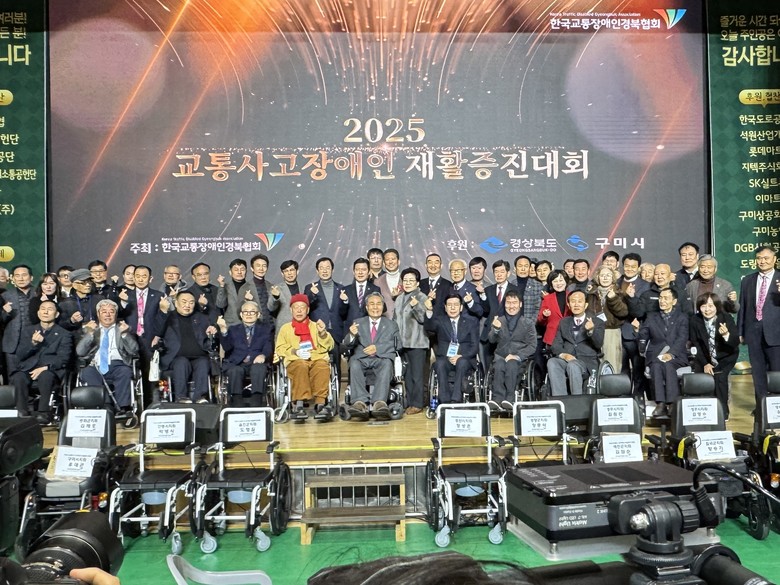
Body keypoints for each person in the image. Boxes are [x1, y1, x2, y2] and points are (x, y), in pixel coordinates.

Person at [76, 298, 139, 423]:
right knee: (87, 372)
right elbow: (80, 352)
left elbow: (134, 351)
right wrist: (90, 334)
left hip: (118, 364)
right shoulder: (89, 329)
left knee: (125, 372)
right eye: (104, 311)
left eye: (111, 312)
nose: (108, 314)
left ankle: (123, 408)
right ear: (98, 314)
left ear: (116, 314)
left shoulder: (123, 328)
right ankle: (105, 405)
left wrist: (125, 334)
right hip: (96, 364)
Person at [10, 299, 72, 422]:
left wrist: (46, 367)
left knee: (46, 376)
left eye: (50, 309)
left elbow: (64, 358)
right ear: (38, 313)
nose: (45, 312)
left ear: (56, 314)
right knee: (18, 377)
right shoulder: (27, 331)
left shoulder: (64, 334)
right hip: (28, 368)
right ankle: (21, 411)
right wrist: (33, 344)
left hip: (51, 369)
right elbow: (20, 355)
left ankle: (44, 412)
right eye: (43, 309)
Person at [343, 292, 400, 420]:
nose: (375, 307)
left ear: (383, 306)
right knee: (354, 363)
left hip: (381, 358)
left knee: (387, 363)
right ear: (367, 307)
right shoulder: (358, 322)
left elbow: (398, 344)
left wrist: (378, 348)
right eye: (372, 304)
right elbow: (347, 344)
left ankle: (379, 403)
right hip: (361, 359)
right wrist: (351, 335)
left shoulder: (391, 324)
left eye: (378, 304)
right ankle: (359, 402)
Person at [275, 294, 334, 419]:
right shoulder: (285, 328)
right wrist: (295, 352)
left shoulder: (316, 326)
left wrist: (323, 334)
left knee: (322, 366)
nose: (299, 310)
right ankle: (299, 405)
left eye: (302, 307)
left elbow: (329, 346)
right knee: (301, 365)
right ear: (291, 310)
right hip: (295, 361)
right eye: (296, 307)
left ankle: (320, 404)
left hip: (315, 357)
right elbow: (280, 348)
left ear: (307, 310)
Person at [155, 290, 217, 403]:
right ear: (176, 303)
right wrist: (163, 311)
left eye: (191, 302)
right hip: (175, 358)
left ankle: (200, 397)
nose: (187, 305)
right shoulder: (168, 317)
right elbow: (157, 331)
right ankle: (181, 397)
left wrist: (212, 331)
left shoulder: (201, 318)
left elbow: (211, 334)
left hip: (199, 356)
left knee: (203, 363)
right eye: (184, 302)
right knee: (182, 362)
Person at [737, 245, 780, 405]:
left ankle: (776, 407)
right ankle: (761, 406)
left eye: (766, 258)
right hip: (753, 333)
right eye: (759, 258)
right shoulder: (747, 280)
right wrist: (740, 331)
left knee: (777, 373)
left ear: (774, 260)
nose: (762, 261)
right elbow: (743, 307)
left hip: (776, 334)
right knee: (758, 373)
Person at [638, 288, 689, 417]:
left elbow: (682, 338)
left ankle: (671, 403)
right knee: (656, 365)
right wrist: (641, 339)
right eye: (660, 298)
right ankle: (660, 403)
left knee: (668, 365)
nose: (662, 301)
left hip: (676, 355)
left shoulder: (682, 317)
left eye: (666, 298)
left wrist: (671, 354)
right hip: (656, 354)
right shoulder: (651, 317)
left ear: (674, 301)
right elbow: (644, 333)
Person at [689, 293, 739, 420]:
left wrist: (726, 334)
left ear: (717, 306)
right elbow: (696, 344)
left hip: (725, 357)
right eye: (703, 306)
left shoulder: (726, 318)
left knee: (720, 377)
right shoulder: (695, 320)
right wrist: (705, 363)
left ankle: (723, 411)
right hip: (705, 357)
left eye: (711, 306)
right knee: (703, 379)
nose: (707, 309)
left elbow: (735, 342)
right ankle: (707, 411)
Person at [118, 265, 164, 404]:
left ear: (151, 278)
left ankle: (152, 402)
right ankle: (132, 403)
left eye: (144, 276)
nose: (140, 279)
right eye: (137, 276)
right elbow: (117, 316)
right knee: (130, 370)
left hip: (150, 338)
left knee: (150, 371)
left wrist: (158, 335)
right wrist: (122, 302)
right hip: (129, 337)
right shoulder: (125, 294)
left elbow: (162, 318)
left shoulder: (158, 295)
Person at [424, 293, 479, 404]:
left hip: (465, 358)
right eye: (449, 305)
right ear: (445, 307)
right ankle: (444, 400)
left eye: (456, 305)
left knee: (461, 362)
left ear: (461, 307)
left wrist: (461, 356)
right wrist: (429, 310)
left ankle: (456, 399)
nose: (452, 308)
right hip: (446, 358)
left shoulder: (471, 322)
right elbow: (429, 326)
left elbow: (474, 346)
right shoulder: (440, 321)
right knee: (439, 364)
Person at [547, 290, 605, 396]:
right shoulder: (564, 322)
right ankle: (560, 399)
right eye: (573, 301)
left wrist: (591, 331)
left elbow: (598, 344)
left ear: (585, 305)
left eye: (579, 301)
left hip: (586, 363)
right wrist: (564, 355)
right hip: (567, 359)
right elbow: (556, 345)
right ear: (569, 305)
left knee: (573, 365)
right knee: (552, 362)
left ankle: (577, 400)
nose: (576, 304)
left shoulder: (597, 322)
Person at [217, 300, 273, 407]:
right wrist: (223, 330)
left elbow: (268, 346)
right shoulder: (233, 329)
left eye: (252, 312)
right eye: (245, 312)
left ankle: (256, 400)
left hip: (256, 361)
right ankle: (236, 401)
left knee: (259, 368)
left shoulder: (266, 329)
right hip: (237, 362)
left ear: (258, 315)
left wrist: (263, 355)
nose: (248, 314)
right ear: (241, 314)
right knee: (235, 370)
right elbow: (227, 347)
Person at [487, 290, 536, 407]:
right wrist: (496, 329)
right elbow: (491, 340)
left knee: (511, 364)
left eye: (514, 303)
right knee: (499, 365)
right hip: (500, 356)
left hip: (519, 360)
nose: (511, 306)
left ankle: (510, 398)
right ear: (504, 304)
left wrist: (517, 356)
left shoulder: (528, 323)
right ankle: (497, 399)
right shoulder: (499, 320)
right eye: (508, 303)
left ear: (520, 304)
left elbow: (532, 345)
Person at [393, 267, 428, 414]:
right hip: (402, 343)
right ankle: (410, 401)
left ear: (417, 283)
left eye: (411, 280)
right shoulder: (399, 298)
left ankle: (418, 403)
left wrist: (416, 307)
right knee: (407, 375)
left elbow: (424, 319)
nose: (407, 283)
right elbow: (395, 320)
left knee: (417, 376)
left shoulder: (422, 297)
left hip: (417, 343)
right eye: (405, 280)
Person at [585, 265, 628, 371]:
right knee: (594, 364)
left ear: (612, 278)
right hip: (594, 331)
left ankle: (611, 382)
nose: (605, 278)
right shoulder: (591, 293)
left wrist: (613, 299)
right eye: (602, 275)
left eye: (608, 275)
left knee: (611, 364)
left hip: (611, 332)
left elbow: (623, 313)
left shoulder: (619, 293)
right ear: (598, 277)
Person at [2, 264, 36, 375]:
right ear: (12, 278)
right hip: (13, 345)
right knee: (14, 378)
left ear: (31, 277)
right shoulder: (5, 296)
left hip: (36, 343)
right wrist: (5, 312)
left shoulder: (40, 294)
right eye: (17, 275)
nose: (21, 278)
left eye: (24, 275)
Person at [238, 253, 277, 325]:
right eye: (258, 265)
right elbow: (239, 312)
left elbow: (274, 309)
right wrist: (246, 300)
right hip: (255, 327)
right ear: (252, 268)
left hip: (272, 327)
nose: (261, 269)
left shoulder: (271, 286)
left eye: (264, 266)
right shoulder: (245, 287)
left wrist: (276, 297)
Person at [342, 257, 380, 324]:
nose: (360, 272)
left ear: (369, 272)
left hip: (368, 327)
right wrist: (345, 302)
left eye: (363, 269)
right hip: (350, 327)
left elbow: (381, 309)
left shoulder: (375, 289)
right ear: (353, 272)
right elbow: (341, 314)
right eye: (357, 269)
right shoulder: (345, 290)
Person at [537, 270, 570, 347]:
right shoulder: (547, 299)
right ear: (551, 284)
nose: (558, 283)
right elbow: (540, 320)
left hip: (570, 337)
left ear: (566, 281)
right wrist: (544, 315)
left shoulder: (572, 296)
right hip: (552, 338)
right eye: (555, 281)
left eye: (561, 280)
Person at [268, 259, 302, 329]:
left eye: (292, 270)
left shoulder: (303, 288)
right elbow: (271, 308)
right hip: (284, 327)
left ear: (297, 271)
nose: (289, 273)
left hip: (301, 327)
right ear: (282, 274)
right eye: (286, 271)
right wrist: (275, 297)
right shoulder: (276, 288)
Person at [215, 258, 248, 326]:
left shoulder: (251, 286)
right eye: (236, 270)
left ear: (246, 271)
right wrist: (222, 286)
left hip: (248, 324)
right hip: (231, 325)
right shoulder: (225, 287)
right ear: (230, 272)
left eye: (242, 269)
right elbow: (220, 304)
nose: (239, 272)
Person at [374, 248, 401, 317]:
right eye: (387, 259)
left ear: (398, 262)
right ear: (383, 263)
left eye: (393, 259)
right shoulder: (377, 282)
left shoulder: (406, 280)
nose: (390, 262)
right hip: (385, 320)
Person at [514, 255, 543, 320]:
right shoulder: (510, 284)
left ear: (530, 268)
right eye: (520, 266)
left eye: (526, 266)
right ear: (515, 268)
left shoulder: (538, 285)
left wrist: (530, 324)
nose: (523, 269)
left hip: (531, 323)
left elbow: (538, 308)